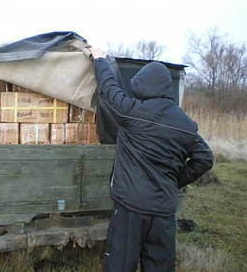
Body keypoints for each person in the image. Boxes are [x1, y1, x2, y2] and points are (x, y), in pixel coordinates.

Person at [89, 48, 214, 272]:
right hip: (163, 211)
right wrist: (175, 181)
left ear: (145, 86)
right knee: (160, 266)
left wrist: (99, 59)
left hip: (130, 208)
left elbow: (108, 89)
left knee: (120, 264)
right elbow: (205, 159)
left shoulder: (132, 113)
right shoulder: (185, 124)